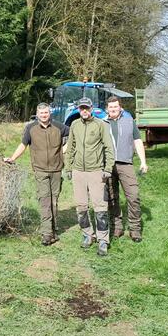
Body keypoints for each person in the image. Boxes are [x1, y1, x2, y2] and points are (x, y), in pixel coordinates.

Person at [4, 103, 69, 246]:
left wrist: (63, 151)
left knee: (54, 201)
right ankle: (46, 234)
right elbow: (23, 145)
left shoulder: (59, 126)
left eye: (46, 113)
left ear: (49, 113)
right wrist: (13, 158)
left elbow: (72, 137)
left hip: (57, 169)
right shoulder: (30, 128)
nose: (44, 115)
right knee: (45, 200)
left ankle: (53, 229)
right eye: (41, 113)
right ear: (37, 114)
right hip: (40, 170)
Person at [64, 97, 115, 256]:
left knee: (100, 207)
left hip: (96, 171)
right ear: (78, 109)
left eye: (86, 108)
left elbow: (109, 147)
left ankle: (102, 240)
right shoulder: (74, 125)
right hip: (79, 171)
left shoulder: (100, 125)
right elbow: (70, 147)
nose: (84, 111)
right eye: (81, 108)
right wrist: (69, 167)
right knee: (81, 206)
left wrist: (107, 168)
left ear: (91, 108)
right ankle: (87, 234)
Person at [104, 95, 148, 242]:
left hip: (125, 163)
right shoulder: (102, 123)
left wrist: (143, 161)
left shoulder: (130, 121)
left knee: (133, 196)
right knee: (111, 197)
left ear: (120, 107)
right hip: (108, 165)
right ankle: (117, 226)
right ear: (107, 109)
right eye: (110, 107)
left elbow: (137, 141)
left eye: (115, 107)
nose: (113, 109)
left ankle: (135, 229)